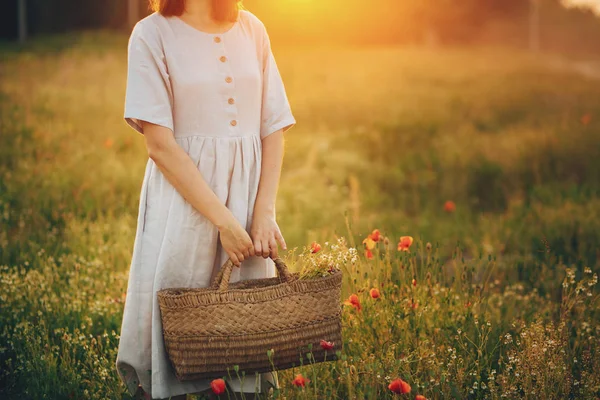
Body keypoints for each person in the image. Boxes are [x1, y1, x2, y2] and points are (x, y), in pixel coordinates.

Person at [115, 0, 295, 398]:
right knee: (180, 335)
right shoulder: (151, 34)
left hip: (248, 205)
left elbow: (273, 127)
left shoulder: (252, 29)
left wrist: (262, 212)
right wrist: (223, 223)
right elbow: (159, 145)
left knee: (245, 339)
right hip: (184, 207)